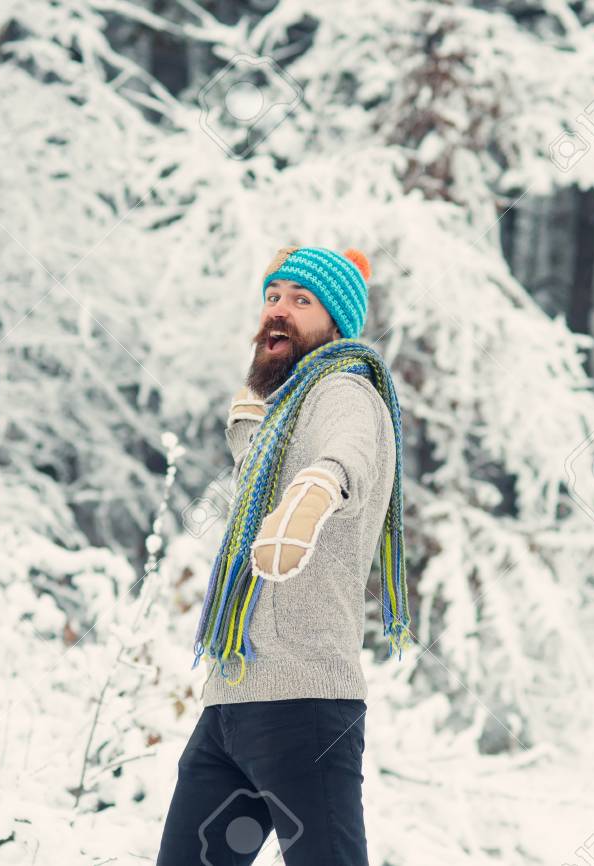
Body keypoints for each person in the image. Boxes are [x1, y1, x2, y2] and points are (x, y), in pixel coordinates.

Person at [156, 246, 408, 866]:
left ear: (337, 323)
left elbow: (344, 456)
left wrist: (314, 493)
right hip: (233, 699)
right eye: (274, 297)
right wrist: (249, 428)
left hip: (306, 705)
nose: (280, 312)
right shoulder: (281, 414)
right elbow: (271, 478)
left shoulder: (344, 392)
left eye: (302, 301)